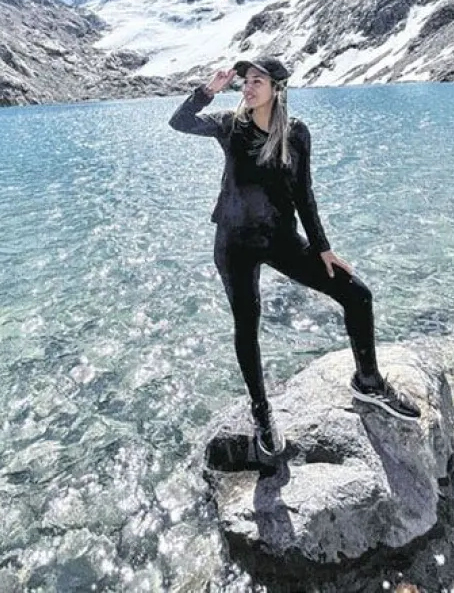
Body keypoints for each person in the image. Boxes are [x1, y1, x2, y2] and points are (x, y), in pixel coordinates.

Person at [169, 56, 420, 458]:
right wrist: (209, 90)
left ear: (277, 88)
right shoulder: (230, 124)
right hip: (234, 243)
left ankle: (368, 381)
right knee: (247, 323)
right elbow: (179, 122)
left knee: (357, 295)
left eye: (257, 81)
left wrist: (322, 248)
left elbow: (304, 193)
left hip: (281, 239)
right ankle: (261, 412)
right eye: (246, 81)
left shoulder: (296, 133)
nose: (248, 87)